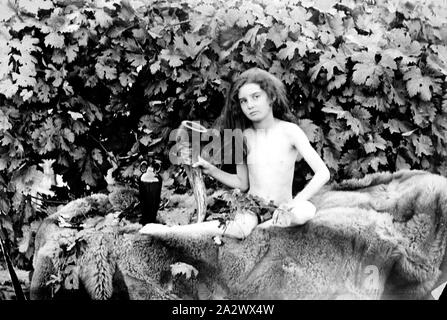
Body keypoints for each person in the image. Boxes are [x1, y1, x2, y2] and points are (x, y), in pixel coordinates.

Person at [139, 67, 330, 239]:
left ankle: (271, 225)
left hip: (284, 207)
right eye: (244, 101)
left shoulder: (290, 131)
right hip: (252, 207)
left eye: (256, 97)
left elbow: (323, 173)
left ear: (271, 97)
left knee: (306, 210)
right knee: (240, 228)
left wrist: (294, 203)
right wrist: (211, 169)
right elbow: (242, 183)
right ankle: (171, 232)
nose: (250, 105)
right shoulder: (242, 136)